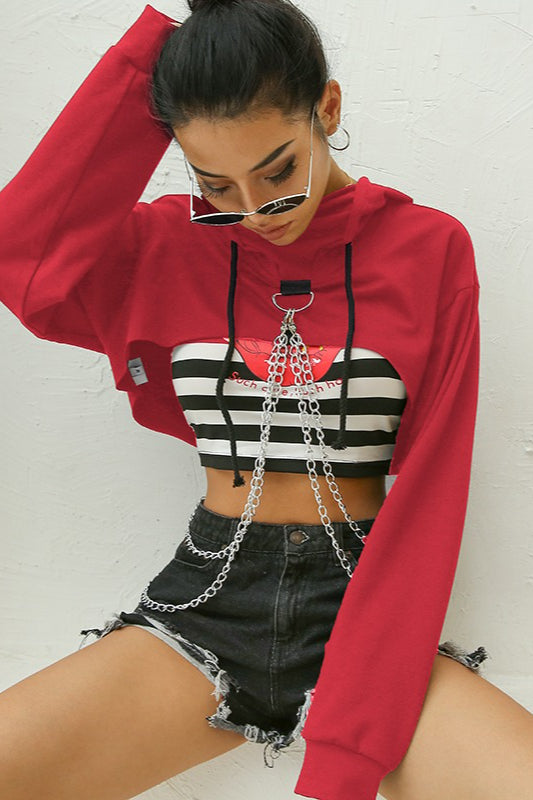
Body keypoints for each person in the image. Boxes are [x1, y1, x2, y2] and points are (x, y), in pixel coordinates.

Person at [1, 2, 532, 800]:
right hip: (209, 595)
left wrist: (351, 751)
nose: (253, 211)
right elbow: (22, 258)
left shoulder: (427, 248)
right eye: (214, 183)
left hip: (364, 600)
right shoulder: (165, 243)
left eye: (279, 173)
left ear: (328, 108)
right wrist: (152, 62)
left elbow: (434, 484)